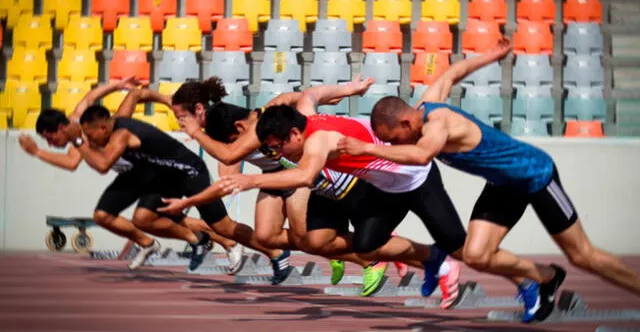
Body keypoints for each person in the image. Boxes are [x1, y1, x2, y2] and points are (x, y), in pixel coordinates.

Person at [337, 37, 640, 322]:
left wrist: (365, 148)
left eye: (393, 139)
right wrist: (491, 56)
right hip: (503, 186)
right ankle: (547, 277)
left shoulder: (437, 126)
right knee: (476, 255)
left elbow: (421, 157)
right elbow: (451, 74)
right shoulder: (424, 106)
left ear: (405, 122)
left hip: (535, 175)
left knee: (583, 256)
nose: (392, 144)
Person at [176, 85, 467, 309]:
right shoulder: (302, 117)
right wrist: (347, 90)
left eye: (278, 148)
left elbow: (302, 176)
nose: (275, 155)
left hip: (385, 181)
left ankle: (434, 261)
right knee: (320, 242)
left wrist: (250, 179)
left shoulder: (315, 142)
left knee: (453, 246)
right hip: (344, 188)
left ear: (294, 134)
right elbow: (311, 93)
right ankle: (414, 258)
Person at [154, 76, 408, 294]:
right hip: (272, 177)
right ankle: (337, 248)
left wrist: (346, 91)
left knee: (306, 237)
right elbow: (226, 159)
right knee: (267, 236)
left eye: (182, 117)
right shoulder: (219, 127)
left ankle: (368, 256)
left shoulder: (258, 124)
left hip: (297, 177)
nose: (180, 122)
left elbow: (231, 153)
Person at [22, 79, 241, 271]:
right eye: (46, 143)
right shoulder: (81, 132)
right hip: (131, 175)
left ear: (62, 128)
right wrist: (116, 85)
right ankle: (148, 244)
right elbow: (94, 99)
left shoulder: (96, 128)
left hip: (151, 171)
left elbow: (134, 94)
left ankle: (223, 241)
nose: (51, 144)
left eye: (51, 139)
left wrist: (168, 100)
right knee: (104, 216)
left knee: (173, 216)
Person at [65, 99, 289, 282]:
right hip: (165, 177)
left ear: (102, 127)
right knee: (143, 218)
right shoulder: (116, 125)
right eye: (85, 136)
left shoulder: (121, 134)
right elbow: (132, 96)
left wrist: (77, 140)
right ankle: (197, 239)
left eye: (89, 134)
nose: (89, 139)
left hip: (189, 172)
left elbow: (103, 165)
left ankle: (276, 253)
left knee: (224, 226)